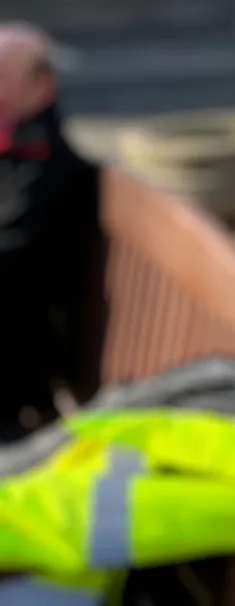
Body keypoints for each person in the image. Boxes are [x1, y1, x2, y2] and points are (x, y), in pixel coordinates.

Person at [0, 22, 99, 441]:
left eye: (3, 78)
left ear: (43, 86)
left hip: (21, 362)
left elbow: (13, 256)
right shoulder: (18, 146)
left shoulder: (47, 162)